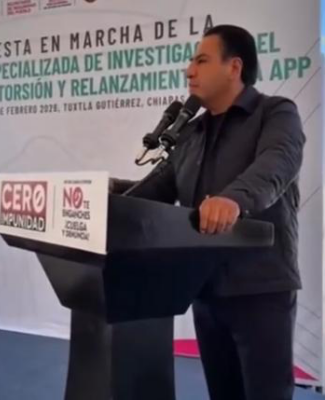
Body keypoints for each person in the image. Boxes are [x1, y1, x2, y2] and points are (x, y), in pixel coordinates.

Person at [111, 25, 305, 400]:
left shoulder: (276, 113)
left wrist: (233, 199)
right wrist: (107, 191)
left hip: (260, 289)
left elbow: (277, 163)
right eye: (191, 62)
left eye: (201, 60)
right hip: (203, 286)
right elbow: (154, 189)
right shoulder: (190, 133)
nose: (190, 71)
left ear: (234, 67)